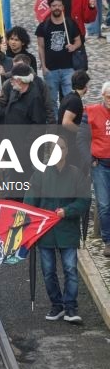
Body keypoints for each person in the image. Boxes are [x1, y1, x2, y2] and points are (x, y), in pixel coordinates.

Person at [24, 137, 90, 323]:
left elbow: (84, 201)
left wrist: (67, 211)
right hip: (46, 232)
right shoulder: (40, 174)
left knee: (70, 269)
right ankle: (57, 305)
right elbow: (30, 202)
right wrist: (29, 228)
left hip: (67, 230)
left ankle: (71, 307)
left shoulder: (76, 174)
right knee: (48, 271)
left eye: (62, 147)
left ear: (67, 150)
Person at [35, 0, 82, 116]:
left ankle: (67, 122)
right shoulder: (43, 26)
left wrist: (73, 46)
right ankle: (55, 125)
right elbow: (40, 46)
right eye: (54, 5)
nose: (56, 8)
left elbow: (78, 41)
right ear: (50, 7)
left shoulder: (70, 23)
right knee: (51, 101)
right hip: (50, 69)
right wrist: (43, 66)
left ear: (63, 7)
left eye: (59, 5)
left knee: (69, 99)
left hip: (68, 68)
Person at [80, 82, 110, 257]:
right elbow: (81, 138)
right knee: (104, 204)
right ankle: (108, 240)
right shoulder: (91, 112)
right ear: (103, 96)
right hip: (100, 165)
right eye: (108, 97)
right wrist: (89, 159)